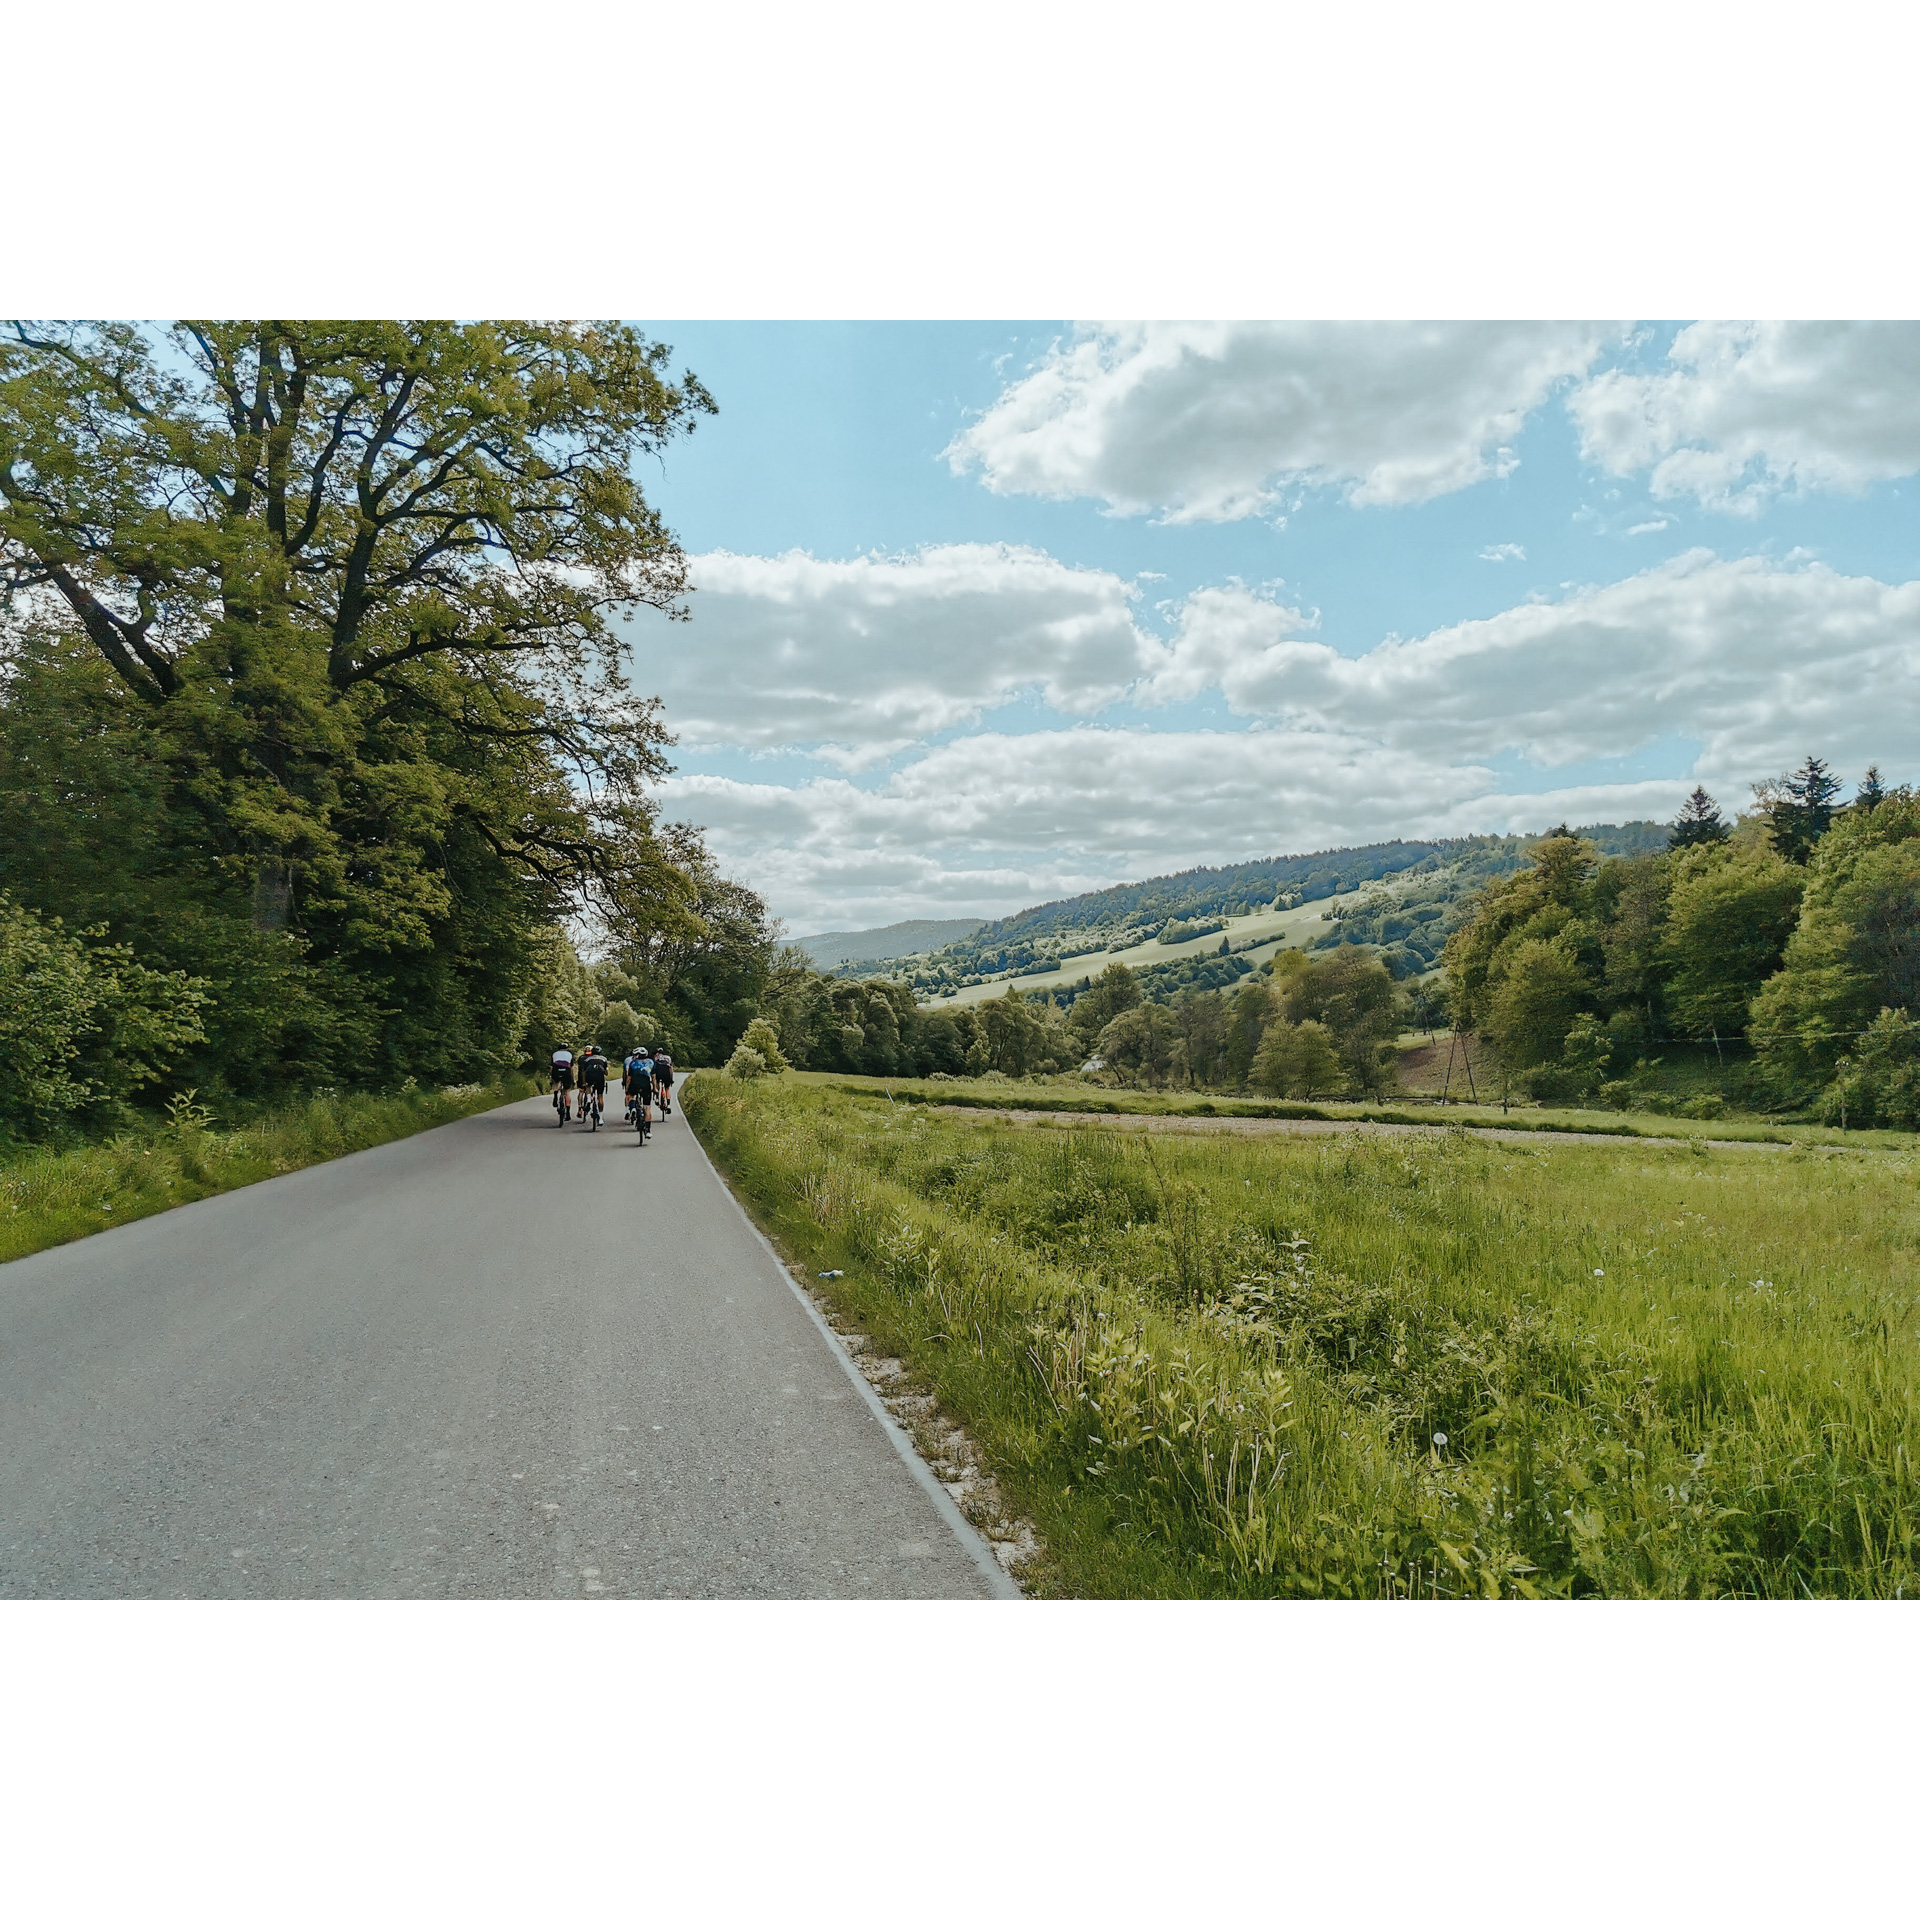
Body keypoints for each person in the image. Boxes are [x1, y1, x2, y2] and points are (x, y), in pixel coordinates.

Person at [623, 1047, 653, 1137]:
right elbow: (654, 1077)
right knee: (647, 1108)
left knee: (632, 1096)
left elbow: (628, 1078)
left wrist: (626, 1089)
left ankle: (632, 1109)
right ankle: (648, 1131)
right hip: (646, 1085)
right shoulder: (651, 1062)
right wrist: (655, 1088)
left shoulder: (632, 1063)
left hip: (634, 1084)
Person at [577, 1045, 609, 1124]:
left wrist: (584, 1082)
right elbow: (607, 1073)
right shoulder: (604, 1059)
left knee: (588, 1086)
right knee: (600, 1097)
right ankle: (601, 1118)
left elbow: (584, 1072)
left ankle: (588, 1099)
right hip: (599, 1078)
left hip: (590, 1077)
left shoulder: (587, 1059)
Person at [550, 1044, 575, 1120]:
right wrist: (573, 1078)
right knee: (567, 1092)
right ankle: (568, 1113)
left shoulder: (554, 1054)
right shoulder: (569, 1054)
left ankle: (555, 1093)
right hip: (566, 1071)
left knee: (555, 1082)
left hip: (556, 1070)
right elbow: (571, 1067)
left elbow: (552, 1066)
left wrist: (552, 1077)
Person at [651, 1047, 674, 1118]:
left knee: (657, 1083)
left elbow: (653, 1069)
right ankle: (669, 1105)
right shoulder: (668, 1057)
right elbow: (671, 1068)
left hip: (659, 1072)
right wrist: (671, 1078)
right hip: (667, 1072)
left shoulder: (656, 1057)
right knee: (667, 1088)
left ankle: (657, 1098)